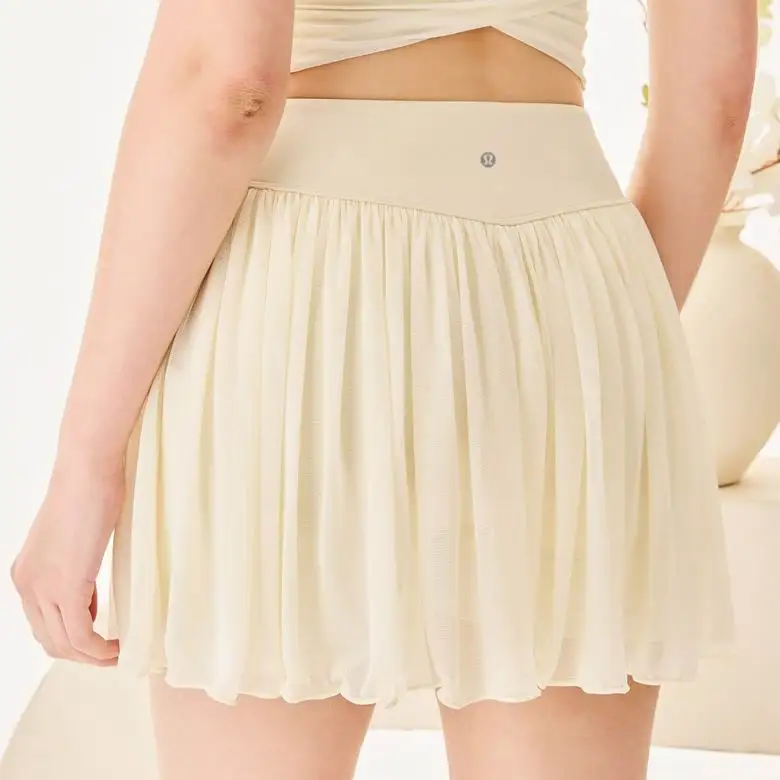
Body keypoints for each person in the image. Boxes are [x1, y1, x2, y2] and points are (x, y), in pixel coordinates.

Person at [11, 0, 756, 778]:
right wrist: (602, 338)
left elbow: (226, 83)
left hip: (308, 287)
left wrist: (86, 460)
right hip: (574, 269)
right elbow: (713, 102)